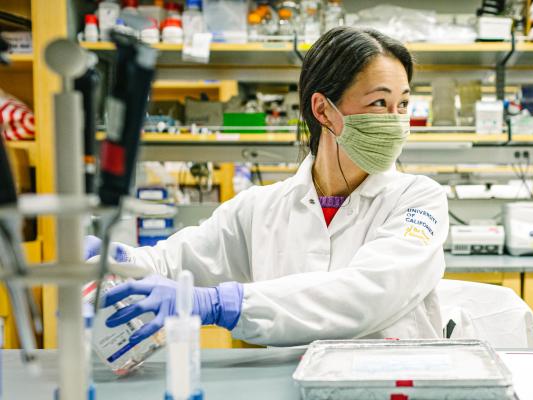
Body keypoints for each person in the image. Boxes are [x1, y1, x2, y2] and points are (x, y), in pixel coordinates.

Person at [91, 27, 449, 347]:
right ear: (323, 110)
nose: (397, 121)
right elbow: (175, 262)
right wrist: (113, 259)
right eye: (379, 103)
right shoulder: (260, 208)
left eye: (402, 104)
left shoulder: (418, 199)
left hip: (395, 382)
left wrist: (222, 304)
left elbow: (370, 291)